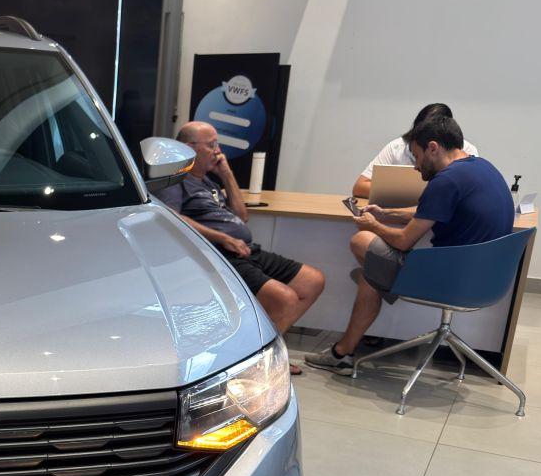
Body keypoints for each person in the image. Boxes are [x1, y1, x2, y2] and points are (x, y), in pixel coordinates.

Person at [305, 115, 514, 374]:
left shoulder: (446, 180)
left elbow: (404, 241)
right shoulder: (481, 167)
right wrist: (387, 213)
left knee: (362, 242)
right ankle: (342, 351)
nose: (415, 166)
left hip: (452, 283)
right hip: (488, 281)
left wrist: (373, 225)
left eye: (416, 156)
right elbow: (431, 212)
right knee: (371, 274)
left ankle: (343, 351)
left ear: (433, 148)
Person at [159, 122, 325, 372]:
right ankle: (257, 364)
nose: (218, 151)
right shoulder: (177, 180)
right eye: (211, 145)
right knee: (286, 299)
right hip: (220, 254)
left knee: (312, 281)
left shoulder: (208, 182)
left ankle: (266, 354)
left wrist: (227, 174)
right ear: (189, 148)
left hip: (245, 248)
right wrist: (222, 237)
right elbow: (172, 216)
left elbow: (242, 215)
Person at [352, 103, 479, 200]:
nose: (416, 166)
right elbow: (360, 187)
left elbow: (469, 194)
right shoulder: (397, 147)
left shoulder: (464, 152)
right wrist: (410, 196)